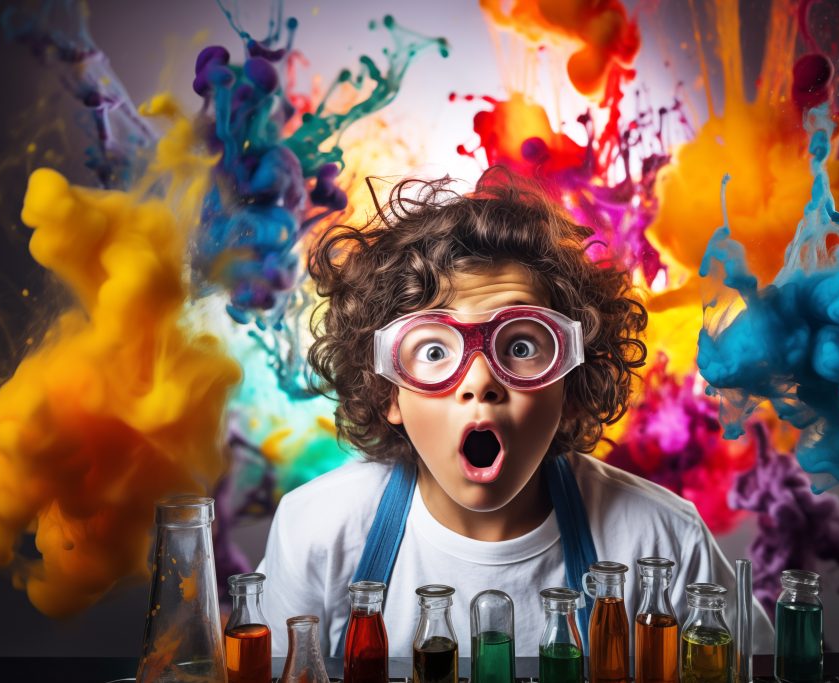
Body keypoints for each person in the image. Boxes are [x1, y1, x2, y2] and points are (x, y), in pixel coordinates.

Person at [256, 167, 774, 658]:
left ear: (571, 382)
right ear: (389, 393)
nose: (480, 381)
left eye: (522, 347)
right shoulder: (319, 530)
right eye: (434, 352)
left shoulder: (663, 541)